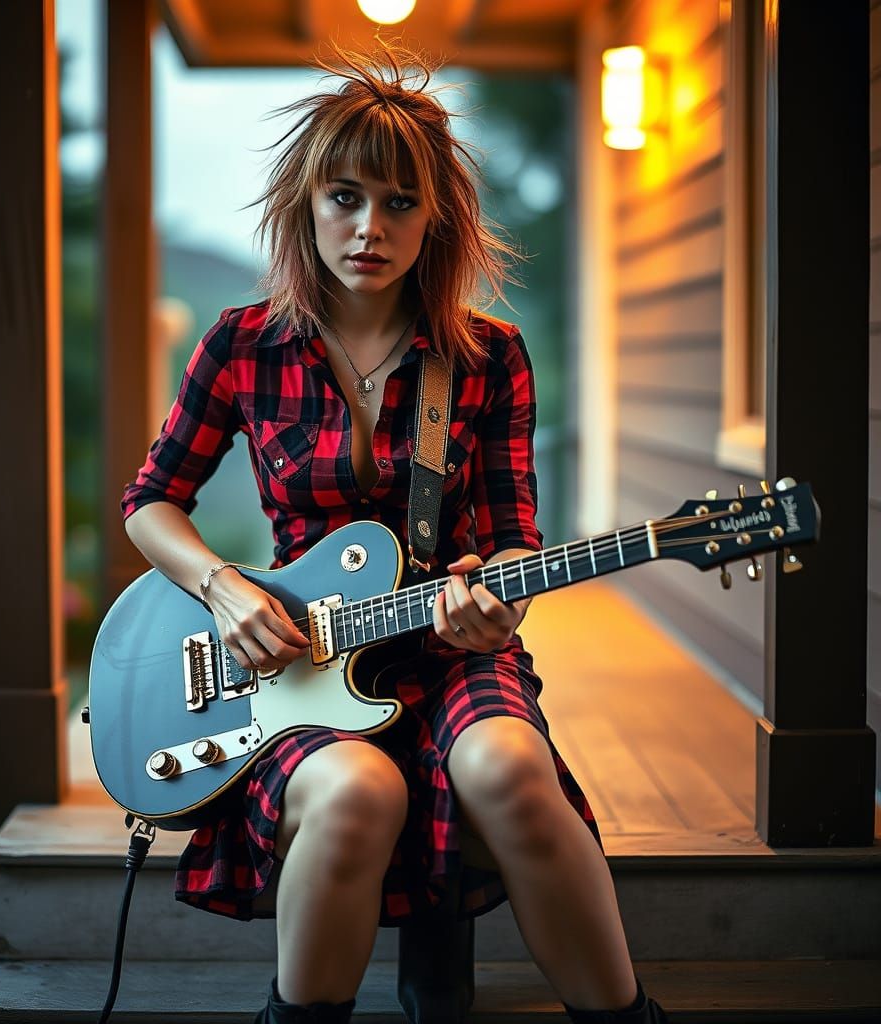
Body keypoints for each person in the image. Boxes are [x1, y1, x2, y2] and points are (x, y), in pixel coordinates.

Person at [121, 43, 668, 1024]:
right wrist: (224, 589)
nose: (369, 227)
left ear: (436, 218)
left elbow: (512, 535)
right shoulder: (241, 345)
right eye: (344, 197)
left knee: (506, 766)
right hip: (294, 661)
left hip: (445, 644)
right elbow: (152, 501)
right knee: (355, 793)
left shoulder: (487, 356)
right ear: (307, 204)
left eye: (399, 203)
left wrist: (494, 598)